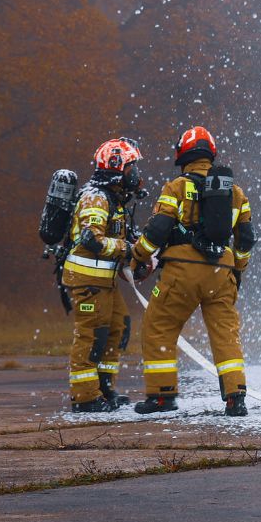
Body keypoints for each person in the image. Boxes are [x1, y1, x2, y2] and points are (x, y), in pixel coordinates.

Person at [129, 127, 256, 416]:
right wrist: (237, 270)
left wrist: (138, 256)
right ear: (211, 154)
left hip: (182, 271)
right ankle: (236, 398)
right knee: (226, 335)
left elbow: (158, 230)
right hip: (221, 272)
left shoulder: (176, 187)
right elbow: (246, 238)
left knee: (159, 326)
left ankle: (162, 397)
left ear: (183, 155)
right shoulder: (235, 193)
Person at [62, 138, 145, 412]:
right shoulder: (95, 197)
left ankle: (104, 387)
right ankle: (85, 397)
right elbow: (91, 239)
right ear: (117, 166)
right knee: (92, 335)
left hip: (104, 282)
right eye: (132, 167)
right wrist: (126, 248)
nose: (135, 174)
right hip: (87, 281)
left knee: (118, 329)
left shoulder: (114, 198)